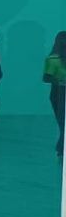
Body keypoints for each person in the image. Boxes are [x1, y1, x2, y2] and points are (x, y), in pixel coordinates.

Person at [44, 31, 65, 159]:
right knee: (62, 122)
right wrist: (60, 81)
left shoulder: (52, 58)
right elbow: (46, 77)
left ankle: (61, 147)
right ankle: (61, 147)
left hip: (58, 93)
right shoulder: (53, 59)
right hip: (59, 93)